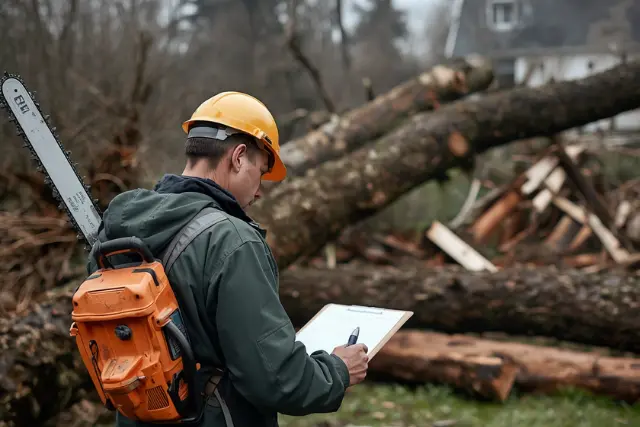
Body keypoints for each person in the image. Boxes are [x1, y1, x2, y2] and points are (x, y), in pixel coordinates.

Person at [87, 91, 369, 427]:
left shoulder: (119, 229)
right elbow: (275, 378)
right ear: (237, 157)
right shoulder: (231, 240)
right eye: (261, 172)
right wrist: (337, 370)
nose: (260, 190)